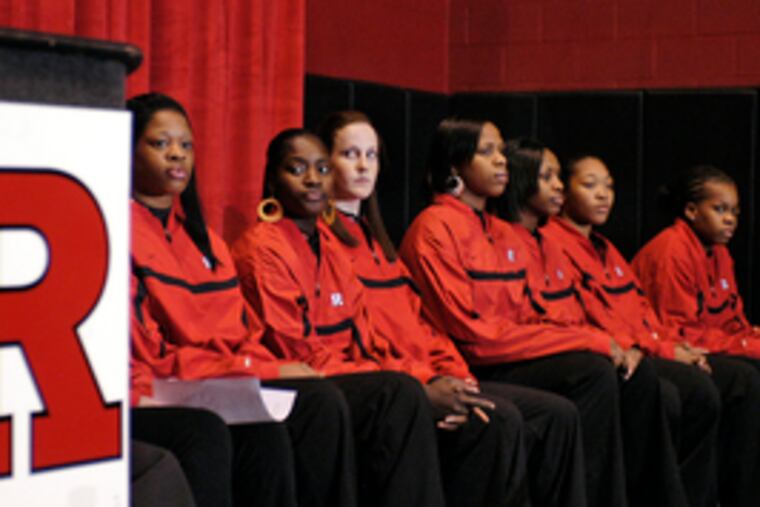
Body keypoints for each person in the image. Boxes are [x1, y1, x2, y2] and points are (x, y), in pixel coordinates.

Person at [316, 110, 586, 507]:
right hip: (394, 385)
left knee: (556, 414)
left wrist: (456, 376)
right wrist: (430, 383)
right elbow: (367, 340)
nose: (362, 165)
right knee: (499, 420)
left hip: (434, 373)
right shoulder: (337, 241)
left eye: (371, 155)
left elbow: (423, 326)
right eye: (350, 154)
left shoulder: (379, 244)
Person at [128, 93, 356, 507]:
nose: (177, 154)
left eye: (185, 144)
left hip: (219, 379)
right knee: (211, 431)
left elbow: (242, 332)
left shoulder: (207, 243)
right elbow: (150, 355)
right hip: (158, 387)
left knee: (299, 414)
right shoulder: (118, 233)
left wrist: (261, 367)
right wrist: (252, 368)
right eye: (161, 144)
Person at [399, 118, 630, 507]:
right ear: (455, 165)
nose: (501, 161)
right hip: (472, 361)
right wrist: (589, 340)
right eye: (487, 152)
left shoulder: (501, 231)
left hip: (508, 353)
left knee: (583, 391)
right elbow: (473, 334)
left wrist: (595, 340)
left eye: (502, 151)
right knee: (590, 373)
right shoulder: (434, 227)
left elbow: (530, 318)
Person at [230, 128, 446, 507]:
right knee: (397, 395)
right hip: (298, 383)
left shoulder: (333, 246)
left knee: (445, 404)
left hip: (346, 376)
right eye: (297, 169)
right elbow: (297, 351)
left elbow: (368, 339)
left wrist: (427, 377)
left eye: (322, 168)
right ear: (272, 180)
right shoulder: (262, 248)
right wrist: (406, 384)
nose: (313, 179)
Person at [541, 154, 721, 507]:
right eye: (590, 185)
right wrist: (665, 351)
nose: (603, 195)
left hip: (645, 348)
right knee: (670, 392)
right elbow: (590, 319)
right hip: (606, 355)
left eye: (608, 186)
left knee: (707, 388)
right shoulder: (553, 243)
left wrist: (673, 347)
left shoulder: (606, 248)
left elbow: (642, 312)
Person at [632, 164, 760, 507]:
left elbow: (732, 320)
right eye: (719, 209)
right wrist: (746, 345)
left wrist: (750, 338)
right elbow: (680, 332)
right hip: (672, 351)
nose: (730, 219)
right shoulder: (671, 250)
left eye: (734, 211)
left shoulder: (719, 253)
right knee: (745, 379)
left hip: (709, 346)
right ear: (691, 211)